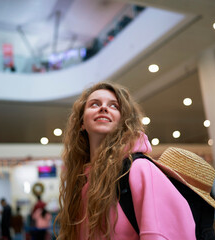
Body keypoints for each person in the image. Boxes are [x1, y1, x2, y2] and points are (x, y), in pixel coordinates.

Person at [56, 82, 196, 239]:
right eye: (95, 104)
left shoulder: (139, 169)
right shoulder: (80, 179)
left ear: (123, 122)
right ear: (81, 123)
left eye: (114, 106)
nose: (104, 108)